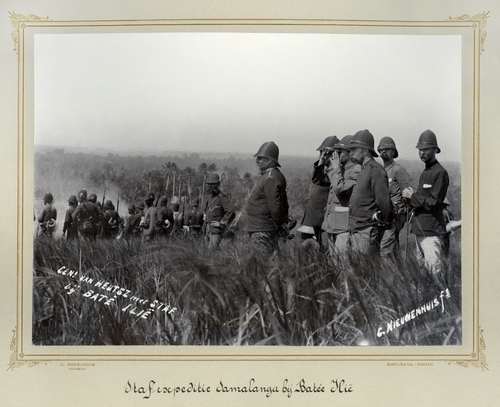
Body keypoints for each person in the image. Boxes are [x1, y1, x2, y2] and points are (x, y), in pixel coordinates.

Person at [402, 130, 449, 277]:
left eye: (426, 149)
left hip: (432, 232)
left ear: (435, 150)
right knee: (422, 274)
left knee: (435, 274)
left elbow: (433, 203)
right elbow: (422, 201)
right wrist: (409, 199)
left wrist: (413, 196)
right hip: (420, 230)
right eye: (420, 150)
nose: (422, 153)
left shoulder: (440, 173)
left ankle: (442, 300)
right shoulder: (425, 172)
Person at [348, 130, 393, 256]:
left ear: (365, 150)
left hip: (366, 231)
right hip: (357, 230)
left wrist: (379, 223)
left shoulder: (375, 170)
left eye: (354, 149)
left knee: (365, 272)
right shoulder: (364, 169)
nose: (351, 152)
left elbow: (384, 204)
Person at [244, 141, 289, 256]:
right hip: (261, 228)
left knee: (262, 265)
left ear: (270, 160)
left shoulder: (270, 178)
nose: (257, 161)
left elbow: (275, 207)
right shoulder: (269, 175)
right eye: (257, 158)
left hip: (263, 229)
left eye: (261, 158)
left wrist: (280, 225)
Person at [321, 135, 362, 255]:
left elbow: (340, 189)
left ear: (349, 153)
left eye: (340, 152)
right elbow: (319, 182)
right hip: (332, 223)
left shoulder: (356, 170)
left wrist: (335, 169)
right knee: (332, 262)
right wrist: (323, 163)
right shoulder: (340, 169)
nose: (336, 155)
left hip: (343, 226)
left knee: (342, 262)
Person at [297, 135, 339, 246]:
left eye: (327, 153)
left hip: (325, 219)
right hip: (312, 218)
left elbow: (323, 181)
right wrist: (321, 162)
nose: (324, 156)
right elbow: (317, 180)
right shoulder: (321, 170)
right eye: (322, 153)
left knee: (324, 250)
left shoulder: (336, 172)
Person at [377, 137, 412, 260]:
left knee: (385, 250)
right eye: (381, 149)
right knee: (393, 251)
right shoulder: (380, 170)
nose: (383, 151)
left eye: (387, 149)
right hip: (384, 216)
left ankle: (387, 277)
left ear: (393, 152)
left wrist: (403, 213)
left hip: (396, 216)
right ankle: (400, 276)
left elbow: (408, 193)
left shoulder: (398, 170)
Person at [203, 173, 235, 249]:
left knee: (213, 253)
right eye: (209, 184)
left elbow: (231, 211)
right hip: (207, 229)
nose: (210, 186)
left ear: (218, 184)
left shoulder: (222, 197)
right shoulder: (209, 197)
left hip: (216, 231)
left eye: (213, 184)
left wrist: (221, 223)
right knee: (206, 253)